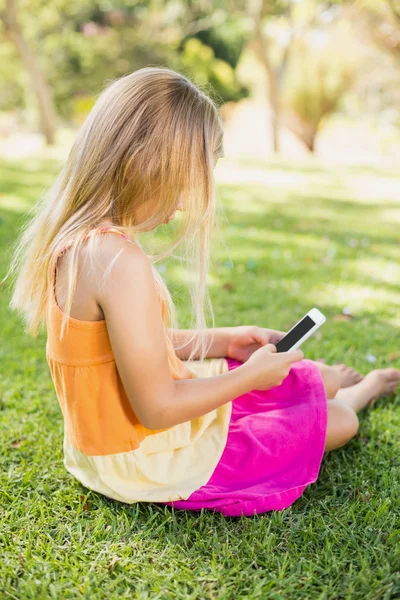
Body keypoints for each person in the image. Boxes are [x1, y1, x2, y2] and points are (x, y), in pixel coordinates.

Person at [6, 67, 400, 518]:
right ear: (143, 165)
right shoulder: (116, 260)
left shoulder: (85, 245)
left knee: (313, 376)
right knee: (340, 419)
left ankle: (323, 388)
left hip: (114, 443)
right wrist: (250, 377)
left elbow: (128, 351)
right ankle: (358, 395)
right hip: (145, 460)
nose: (182, 203)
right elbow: (156, 408)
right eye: (183, 184)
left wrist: (225, 339)